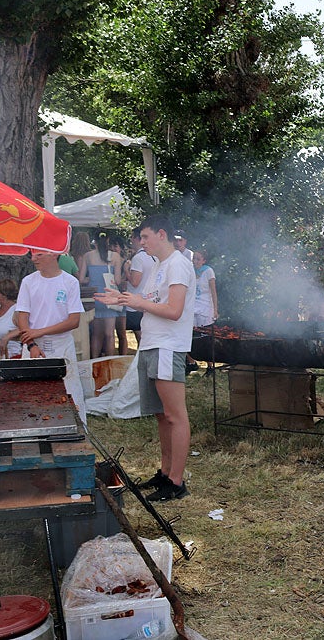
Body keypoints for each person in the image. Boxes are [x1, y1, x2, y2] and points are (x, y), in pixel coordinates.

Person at [95, 214, 195, 502]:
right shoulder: (157, 266)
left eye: (145, 237)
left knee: (175, 415)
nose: (141, 243)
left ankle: (176, 482)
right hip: (151, 344)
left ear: (161, 234)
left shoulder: (178, 264)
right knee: (160, 414)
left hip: (168, 346)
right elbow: (151, 304)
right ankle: (165, 473)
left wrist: (138, 302)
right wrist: (123, 300)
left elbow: (174, 310)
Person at [15, 250, 86, 423]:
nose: (33, 259)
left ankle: (75, 428)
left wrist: (39, 332)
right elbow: (21, 317)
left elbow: (73, 321)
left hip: (62, 345)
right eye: (32, 254)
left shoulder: (70, 282)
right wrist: (32, 344)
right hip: (33, 346)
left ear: (54, 254)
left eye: (39, 255)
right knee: (33, 392)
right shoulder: (28, 282)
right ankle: (34, 430)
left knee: (69, 390)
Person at [79, 232, 124, 359]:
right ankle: (109, 361)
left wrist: (93, 278)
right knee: (109, 334)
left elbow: (81, 279)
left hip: (94, 296)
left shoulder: (87, 256)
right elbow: (118, 281)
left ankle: (94, 361)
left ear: (95, 241)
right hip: (110, 295)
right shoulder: (115, 256)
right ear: (108, 240)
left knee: (96, 334)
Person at [124, 228, 157, 347]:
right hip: (148, 300)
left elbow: (135, 282)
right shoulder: (153, 256)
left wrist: (126, 270)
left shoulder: (138, 258)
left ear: (137, 239)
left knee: (140, 336)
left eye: (132, 237)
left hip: (136, 302)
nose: (131, 241)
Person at [109, 235, 131, 354]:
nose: (113, 248)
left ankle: (123, 356)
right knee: (110, 332)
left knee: (121, 332)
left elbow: (126, 282)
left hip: (121, 299)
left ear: (121, 248)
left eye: (116, 246)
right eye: (111, 246)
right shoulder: (108, 262)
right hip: (111, 298)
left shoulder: (126, 263)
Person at [192, 250, 218, 327]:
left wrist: (215, 310)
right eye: (194, 258)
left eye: (198, 259)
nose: (195, 261)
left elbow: (213, 292)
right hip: (192, 307)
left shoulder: (208, 271)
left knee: (204, 333)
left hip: (205, 308)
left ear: (204, 261)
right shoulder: (190, 270)